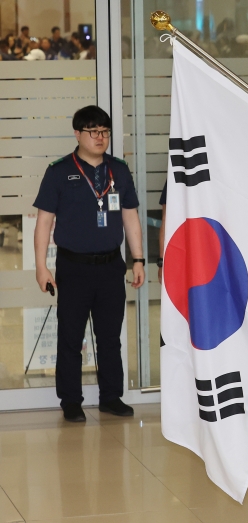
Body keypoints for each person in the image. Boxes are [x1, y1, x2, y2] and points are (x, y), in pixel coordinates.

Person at [33, 106, 145, 423]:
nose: (100, 137)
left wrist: (137, 259)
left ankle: (111, 397)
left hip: (111, 266)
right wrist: (41, 267)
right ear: (78, 134)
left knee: (110, 337)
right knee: (71, 337)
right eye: (94, 131)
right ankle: (71, 401)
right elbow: (44, 223)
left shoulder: (119, 171)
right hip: (73, 267)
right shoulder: (58, 172)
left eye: (105, 132)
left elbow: (130, 216)